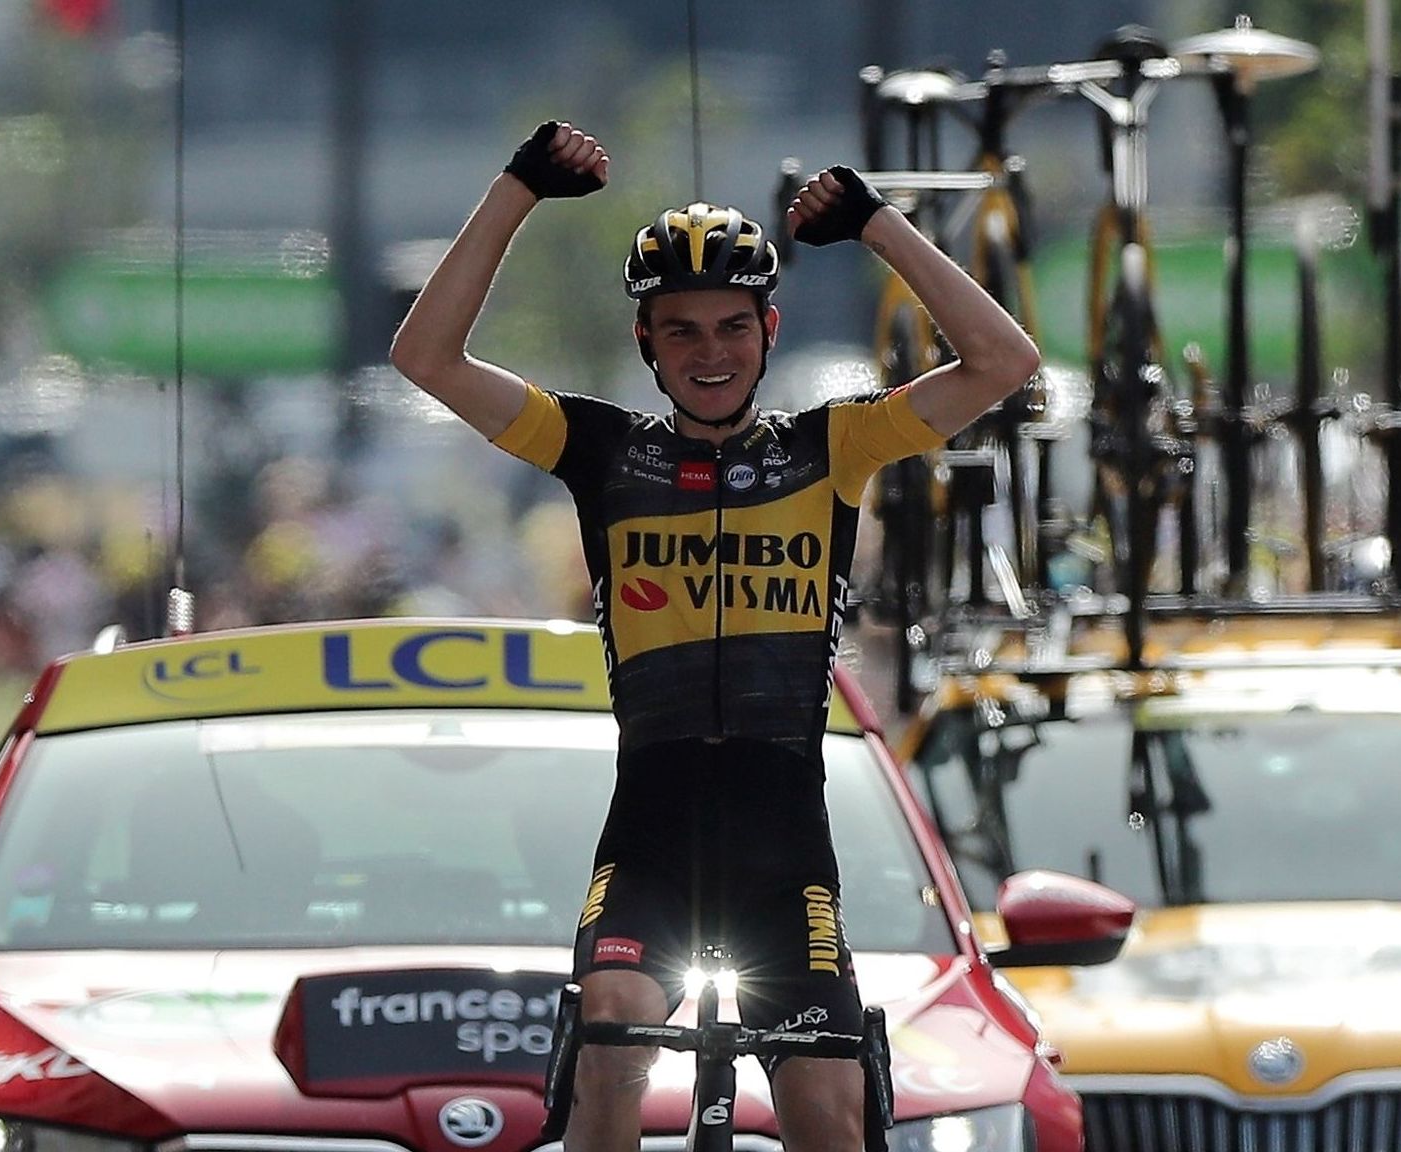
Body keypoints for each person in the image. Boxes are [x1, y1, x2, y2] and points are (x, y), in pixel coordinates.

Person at [389, 121, 1039, 1152]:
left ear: (770, 329)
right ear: (644, 341)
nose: (709, 353)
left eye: (732, 327)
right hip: (651, 830)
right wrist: (517, 186)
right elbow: (423, 356)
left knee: (828, 1113)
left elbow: (1004, 360)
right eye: (681, 331)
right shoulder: (603, 451)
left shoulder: (833, 446)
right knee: (610, 1036)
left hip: (786, 845)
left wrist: (876, 224)